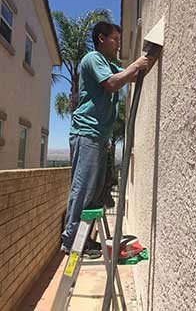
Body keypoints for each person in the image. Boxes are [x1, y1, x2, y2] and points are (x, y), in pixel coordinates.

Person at [61, 21, 150, 258]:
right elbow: (111, 84)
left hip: (99, 137)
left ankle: (85, 239)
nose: (118, 44)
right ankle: (71, 241)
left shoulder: (109, 64)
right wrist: (136, 64)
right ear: (101, 38)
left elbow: (124, 77)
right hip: (87, 132)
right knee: (84, 188)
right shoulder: (92, 58)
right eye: (115, 39)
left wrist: (142, 65)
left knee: (96, 190)